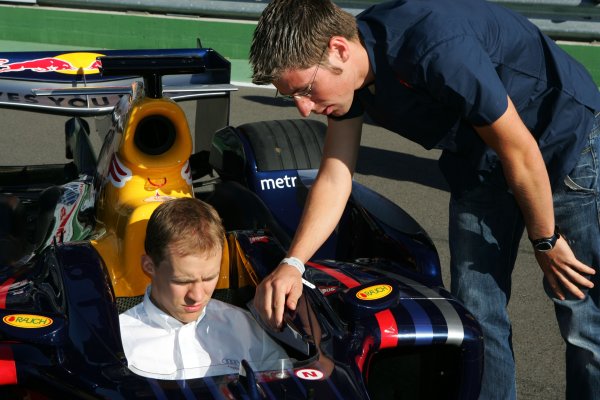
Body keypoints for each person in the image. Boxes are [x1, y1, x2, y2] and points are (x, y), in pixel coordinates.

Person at [248, 0, 600, 398]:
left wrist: (546, 240)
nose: (305, 109)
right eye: (292, 97)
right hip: (480, 157)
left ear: (339, 50)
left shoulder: (435, 48)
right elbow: (334, 175)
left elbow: (520, 151)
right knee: (478, 312)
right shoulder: (351, 74)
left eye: (307, 91)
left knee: (581, 313)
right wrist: (292, 264)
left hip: (558, 141)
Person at [119, 197, 287, 380]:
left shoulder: (246, 329)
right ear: (149, 266)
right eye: (182, 281)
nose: (197, 296)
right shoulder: (117, 343)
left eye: (209, 278)